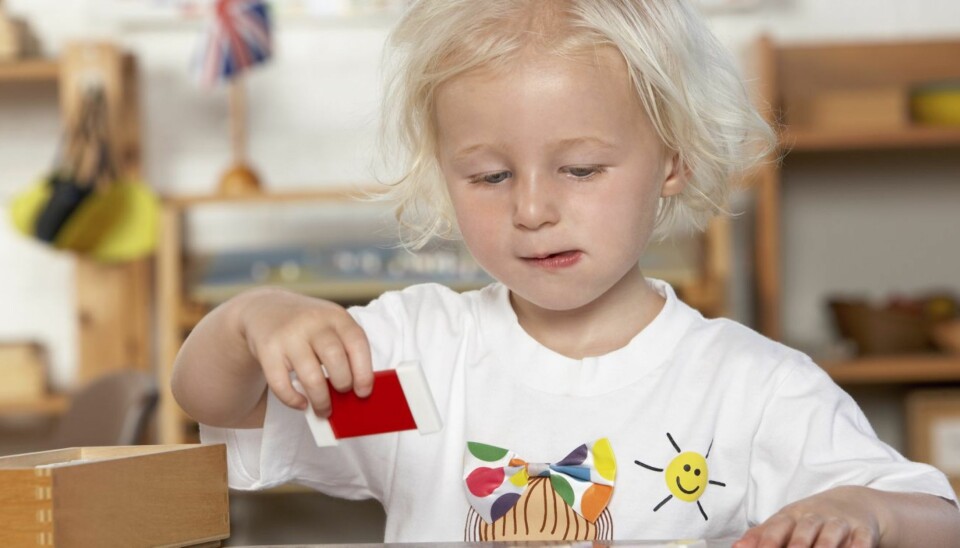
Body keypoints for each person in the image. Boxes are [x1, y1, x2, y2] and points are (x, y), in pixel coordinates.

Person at [172, 1, 960, 545]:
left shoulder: (751, 390)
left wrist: (866, 512)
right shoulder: (421, 369)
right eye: (488, 177)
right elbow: (219, 403)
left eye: (580, 169)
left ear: (674, 159)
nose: (533, 209)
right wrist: (252, 320)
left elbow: (938, 520)